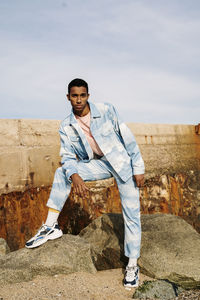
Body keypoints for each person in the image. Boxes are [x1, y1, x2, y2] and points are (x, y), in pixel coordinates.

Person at [25, 78, 145, 288]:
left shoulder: (106, 110)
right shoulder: (66, 126)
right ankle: (51, 226)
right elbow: (67, 156)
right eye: (74, 96)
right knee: (63, 172)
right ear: (68, 97)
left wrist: (138, 167)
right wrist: (75, 176)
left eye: (82, 95)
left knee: (132, 214)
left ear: (88, 96)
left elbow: (127, 137)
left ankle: (133, 265)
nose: (78, 100)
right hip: (99, 165)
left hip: (122, 163)